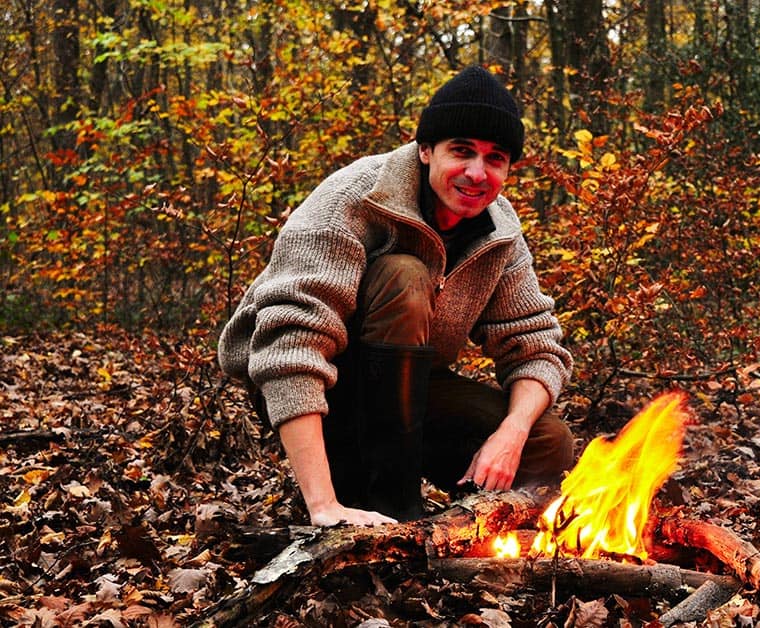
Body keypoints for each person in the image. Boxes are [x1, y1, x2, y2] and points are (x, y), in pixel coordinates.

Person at [217, 65, 575, 527]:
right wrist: (323, 507)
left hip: (404, 390)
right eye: (461, 152)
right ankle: (388, 504)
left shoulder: (500, 230)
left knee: (549, 441)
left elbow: (536, 345)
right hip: (323, 393)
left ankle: (460, 529)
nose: (476, 173)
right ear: (426, 150)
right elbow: (291, 348)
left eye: (495, 158)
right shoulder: (350, 200)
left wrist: (511, 432)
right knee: (404, 274)